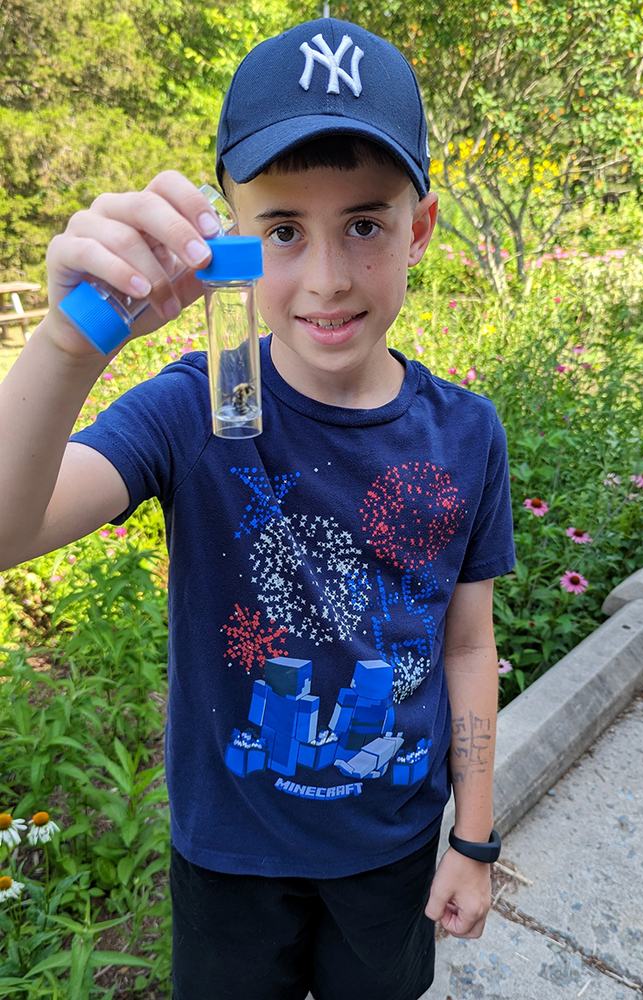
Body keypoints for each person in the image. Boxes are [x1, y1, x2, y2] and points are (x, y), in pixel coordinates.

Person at [0, 16, 515, 1000]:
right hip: (228, 859)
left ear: (418, 226)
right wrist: (71, 343)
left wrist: (474, 836)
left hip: (391, 851)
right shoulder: (191, 409)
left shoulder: (466, 433)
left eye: (363, 224)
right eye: (283, 230)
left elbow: (465, 645)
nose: (323, 277)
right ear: (231, 236)